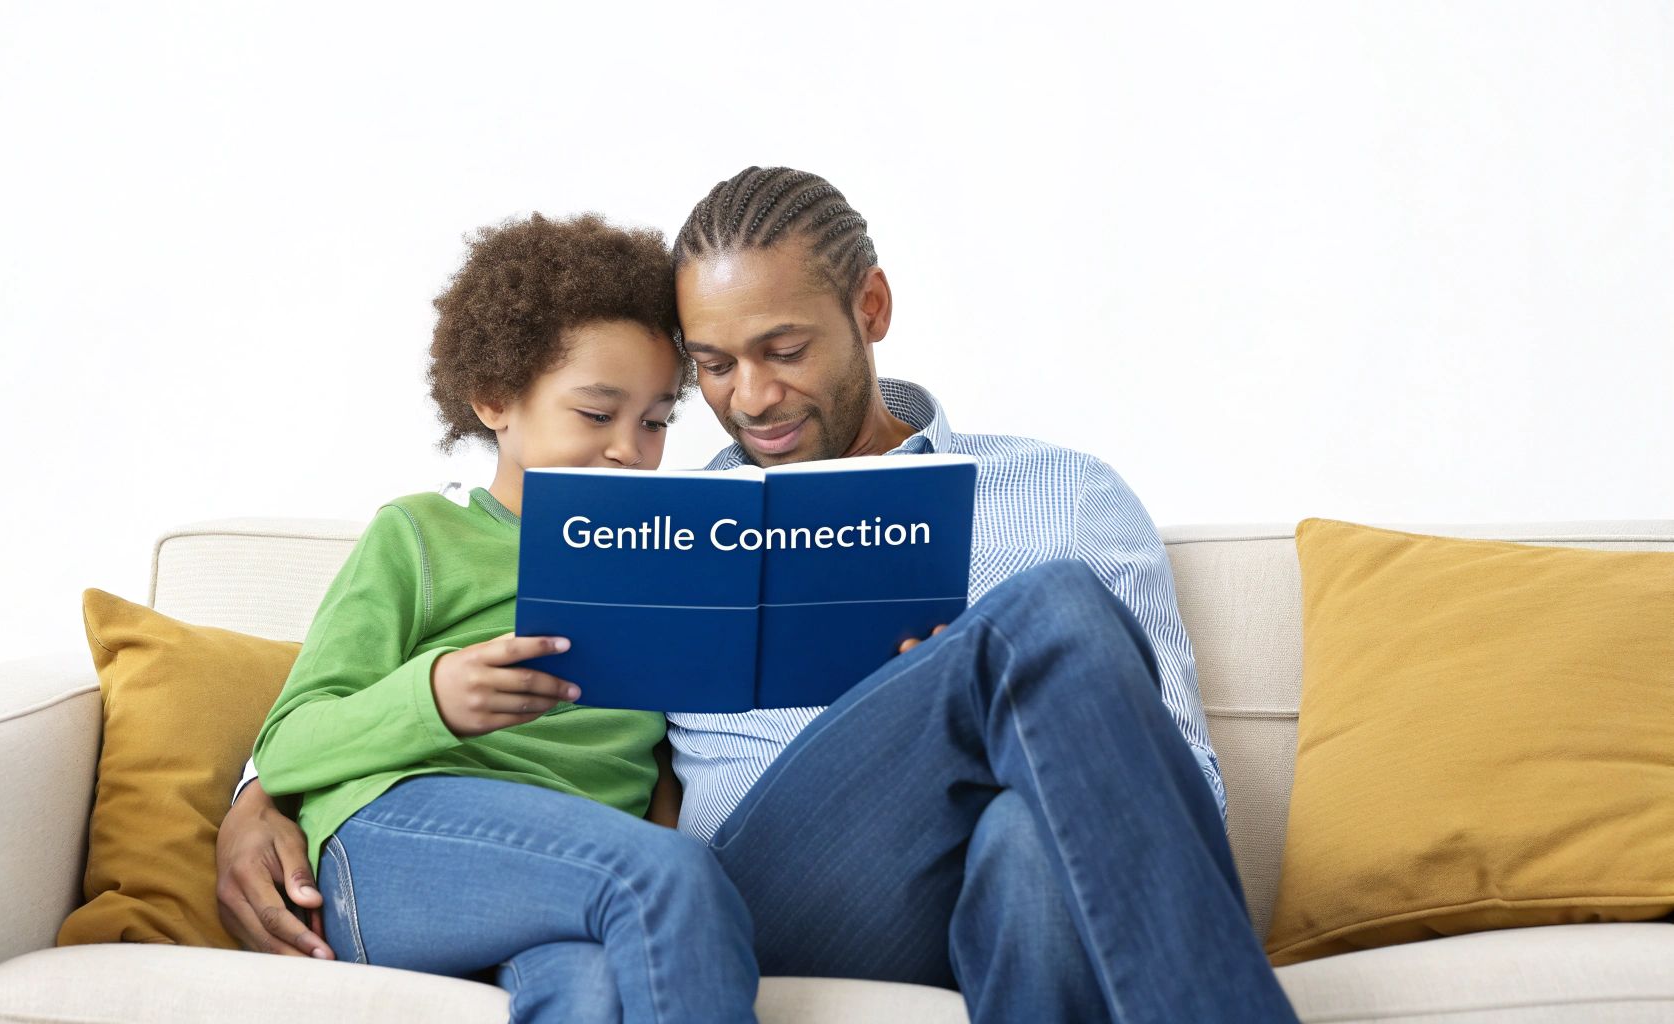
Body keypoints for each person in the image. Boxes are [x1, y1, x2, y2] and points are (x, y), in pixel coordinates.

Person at [222, 169, 1300, 1022]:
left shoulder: (1062, 492)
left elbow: (1175, 798)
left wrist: (933, 707)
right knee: (1040, 619)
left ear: (869, 308)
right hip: (756, 893)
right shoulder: (654, 529)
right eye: (716, 367)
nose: (752, 398)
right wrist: (260, 795)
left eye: (783, 350)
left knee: (1033, 754)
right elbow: (357, 715)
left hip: (964, 883)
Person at [241, 212, 759, 1024]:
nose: (630, 448)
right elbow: (287, 744)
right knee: (670, 875)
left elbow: (663, 757)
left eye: (655, 421)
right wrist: (434, 696)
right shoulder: (418, 535)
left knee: (593, 988)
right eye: (597, 414)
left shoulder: (662, 562)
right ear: (495, 399)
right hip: (388, 848)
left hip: (565, 876)